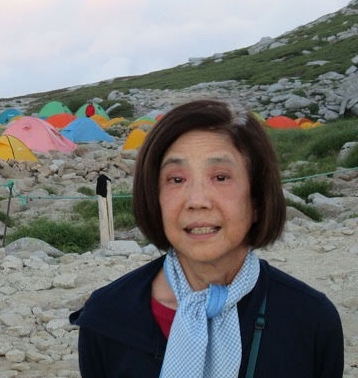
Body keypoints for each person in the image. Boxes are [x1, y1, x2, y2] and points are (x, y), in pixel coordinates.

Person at [70, 99, 343, 377]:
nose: (197, 201)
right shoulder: (106, 318)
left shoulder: (311, 320)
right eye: (176, 179)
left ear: (257, 200)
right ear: (155, 198)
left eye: (221, 177)